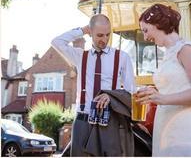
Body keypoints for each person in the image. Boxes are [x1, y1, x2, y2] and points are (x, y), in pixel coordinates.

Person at [135, 4, 191, 157]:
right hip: (168, 128)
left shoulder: (186, 49)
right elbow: (176, 88)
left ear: (158, 24)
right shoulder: (168, 54)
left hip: (187, 131)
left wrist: (163, 98)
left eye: (145, 30)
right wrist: (154, 94)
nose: (145, 37)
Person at [51, 14, 135, 156]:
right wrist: (82, 30)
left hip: (108, 121)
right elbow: (57, 42)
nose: (104, 39)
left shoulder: (122, 57)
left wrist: (112, 97)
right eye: (100, 35)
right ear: (91, 33)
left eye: (108, 35)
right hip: (83, 120)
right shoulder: (79, 56)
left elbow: (131, 92)